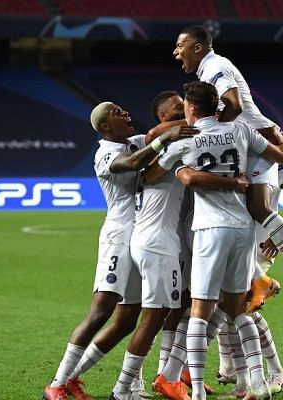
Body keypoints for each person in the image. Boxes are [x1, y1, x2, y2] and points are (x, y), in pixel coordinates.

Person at [43, 102, 196, 400]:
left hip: (138, 237)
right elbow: (132, 162)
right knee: (100, 312)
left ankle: (75, 379)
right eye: (116, 112)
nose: (125, 113)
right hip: (117, 236)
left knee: (127, 320)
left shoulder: (134, 141)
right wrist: (164, 139)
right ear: (105, 127)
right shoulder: (105, 153)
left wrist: (194, 119)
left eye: (124, 110)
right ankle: (57, 384)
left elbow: (155, 132)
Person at [173, 25, 283, 312]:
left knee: (256, 208)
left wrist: (211, 131)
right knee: (239, 216)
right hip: (253, 142)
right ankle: (259, 280)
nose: (175, 52)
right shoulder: (207, 71)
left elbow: (234, 105)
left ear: (197, 47)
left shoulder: (215, 66)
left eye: (180, 46)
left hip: (259, 141)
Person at [110, 90, 247, 400]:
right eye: (176, 112)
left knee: (179, 305)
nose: (183, 116)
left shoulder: (181, 142)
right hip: (161, 240)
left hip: (174, 238)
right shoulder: (169, 143)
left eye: (184, 109)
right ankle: (127, 387)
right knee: (158, 315)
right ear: (163, 118)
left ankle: (169, 374)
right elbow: (154, 154)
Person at [155, 81, 283, 400]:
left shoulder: (187, 139)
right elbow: (279, 155)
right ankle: (258, 383)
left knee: (199, 312)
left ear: (191, 108)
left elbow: (160, 171)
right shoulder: (240, 130)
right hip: (243, 228)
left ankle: (197, 392)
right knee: (239, 309)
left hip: (210, 229)